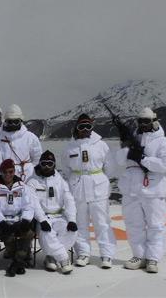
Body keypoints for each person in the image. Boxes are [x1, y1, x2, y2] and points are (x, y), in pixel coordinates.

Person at [116, 107, 166, 273]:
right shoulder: (132, 138)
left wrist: (143, 159)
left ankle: (153, 258)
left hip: (153, 189)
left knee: (156, 225)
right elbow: (120, 161)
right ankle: (139, 255)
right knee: (133, 225)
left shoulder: (163, 142)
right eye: (140, 121)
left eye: (146, 121)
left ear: (154, 120)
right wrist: (125, 146)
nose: (143, 124)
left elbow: (165, 164)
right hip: (131, 189)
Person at [61, 114, 117, 269]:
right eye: (81, 126)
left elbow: (110, 168)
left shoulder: (101, 145)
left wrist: (100, 179)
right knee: (80, 222)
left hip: (97, 187)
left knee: (102, 223)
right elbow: (66, 168)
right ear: (76, 128)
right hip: (78, 188)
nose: (85, 130)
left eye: (88, 126)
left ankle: (107, 255)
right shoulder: (69, 147)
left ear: (92, 127)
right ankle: (83, 253)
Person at [26, 150, 77, 274]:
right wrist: (42, 220)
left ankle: (51, 257)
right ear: (39, 164)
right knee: (47, 233)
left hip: (59, 215)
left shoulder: (61, 181)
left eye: (50, 163)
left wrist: (71, 219)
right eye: (44, 163)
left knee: (71, 232)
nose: (47, 167)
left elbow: (69, 200)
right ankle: (64, 260)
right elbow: (34, 204)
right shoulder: (32, 182)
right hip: (44, 217)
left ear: (54, 164)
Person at [0, 159, 35, 277]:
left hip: (18, 220)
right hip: (2, 221)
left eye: (11, 172)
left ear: (14, 171)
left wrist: (25, 220)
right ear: (0, 172)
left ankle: (17, 261)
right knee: (9, 237)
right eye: (5, 172)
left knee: (29, 233)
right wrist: (2, 222)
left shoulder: (22, 187)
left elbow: (28, 205)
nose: (8, 175)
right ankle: (20, 259)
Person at [0, 104, 42, 181]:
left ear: (21, 121)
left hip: (26, 176)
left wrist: (30, 171)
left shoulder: (30, 137)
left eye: (16, 122)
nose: (13, 124)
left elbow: (37, 158)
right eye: (10, 122)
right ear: (5, 121)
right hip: (6, 176)